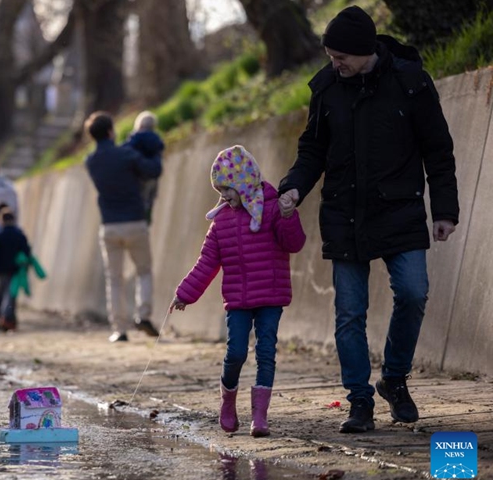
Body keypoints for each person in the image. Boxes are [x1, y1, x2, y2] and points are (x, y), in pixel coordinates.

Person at [277, 6, 459, 434]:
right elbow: (312, 150)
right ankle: (359, 401)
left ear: (364, 53)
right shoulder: (325, 88)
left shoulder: (411, 83)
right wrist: (293, 187)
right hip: (344, 212)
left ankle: (394, 380)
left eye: (340, 57)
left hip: (400, 208)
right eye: (329, 55)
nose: (334, 64)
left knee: (413, 293)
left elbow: (438, 149)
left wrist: (445, 210)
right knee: (349, 313)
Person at [170, 145, 306, 437]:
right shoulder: (221, 222)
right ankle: (228, 402)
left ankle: (260, 416)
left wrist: (287, 217)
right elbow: (206, 262)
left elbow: (293, 243)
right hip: (239, 300)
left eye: (227, 188)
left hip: (270, 295)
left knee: (266, 352)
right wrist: (184, 294)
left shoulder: (273, 208)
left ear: (244, 183)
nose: (224, 195)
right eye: (220, 189)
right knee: (236, 352)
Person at [84, 111, 162, 343]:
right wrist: (155, 147)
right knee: (144, 270)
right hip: (135, 222)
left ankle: (119, 329)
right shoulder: (126, 155)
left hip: (109, 226)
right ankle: (144, 315)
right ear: (111, 131)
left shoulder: (90, 162)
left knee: (114, 278)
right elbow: (153, 170)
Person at [124, 111, 165, 224]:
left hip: (134, 185)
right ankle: (146, 221)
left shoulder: (133, 141)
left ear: (139, 125)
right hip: (151, 184)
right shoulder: (156, 142)